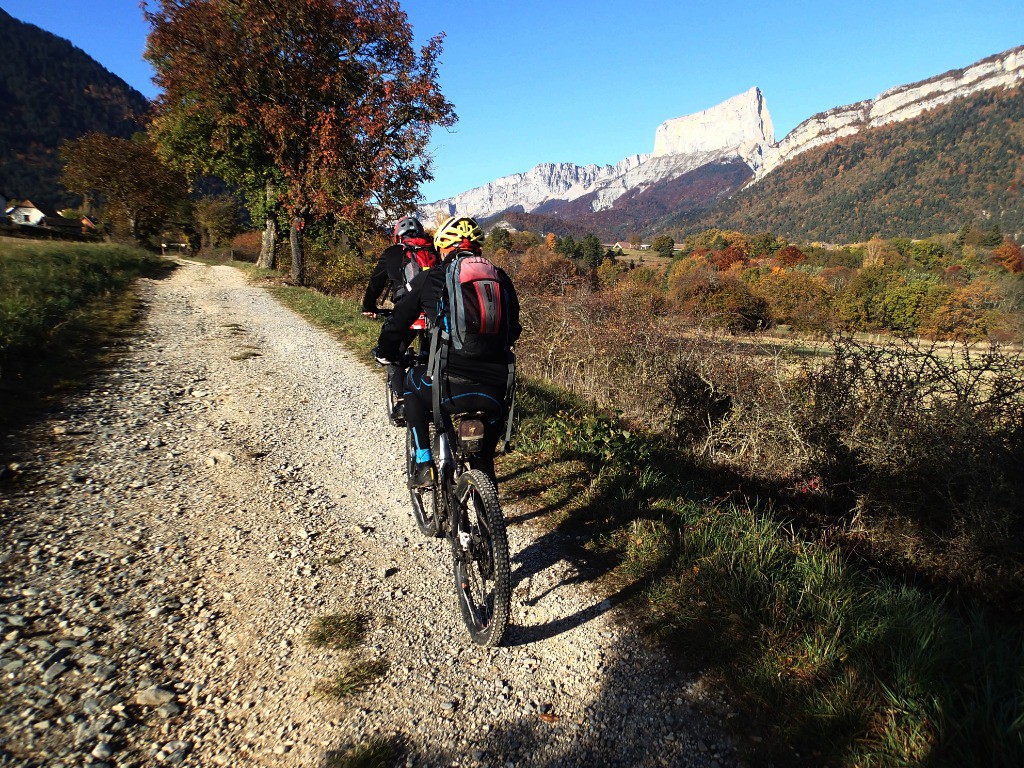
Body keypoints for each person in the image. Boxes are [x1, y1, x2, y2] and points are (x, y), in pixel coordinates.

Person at [373, 216, 520, 489]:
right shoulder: (500, 278)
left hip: (448, 387)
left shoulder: (432, 278)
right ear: (477, 249)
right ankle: (487, 516)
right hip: (496, 390)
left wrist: (385, 352)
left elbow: (397, 323)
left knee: (411, 384)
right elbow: (515, 329)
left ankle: (424, 463)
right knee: (483, 459)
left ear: (442, 249)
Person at [362, 215, 438, 423]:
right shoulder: (434, 250)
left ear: (397, 235)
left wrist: (368, 306)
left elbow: (375, 284)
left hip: (407, 312)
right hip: (433, 311)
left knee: (394, 352)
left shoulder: (392, 253)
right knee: (434, 354)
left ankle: (403, 401)